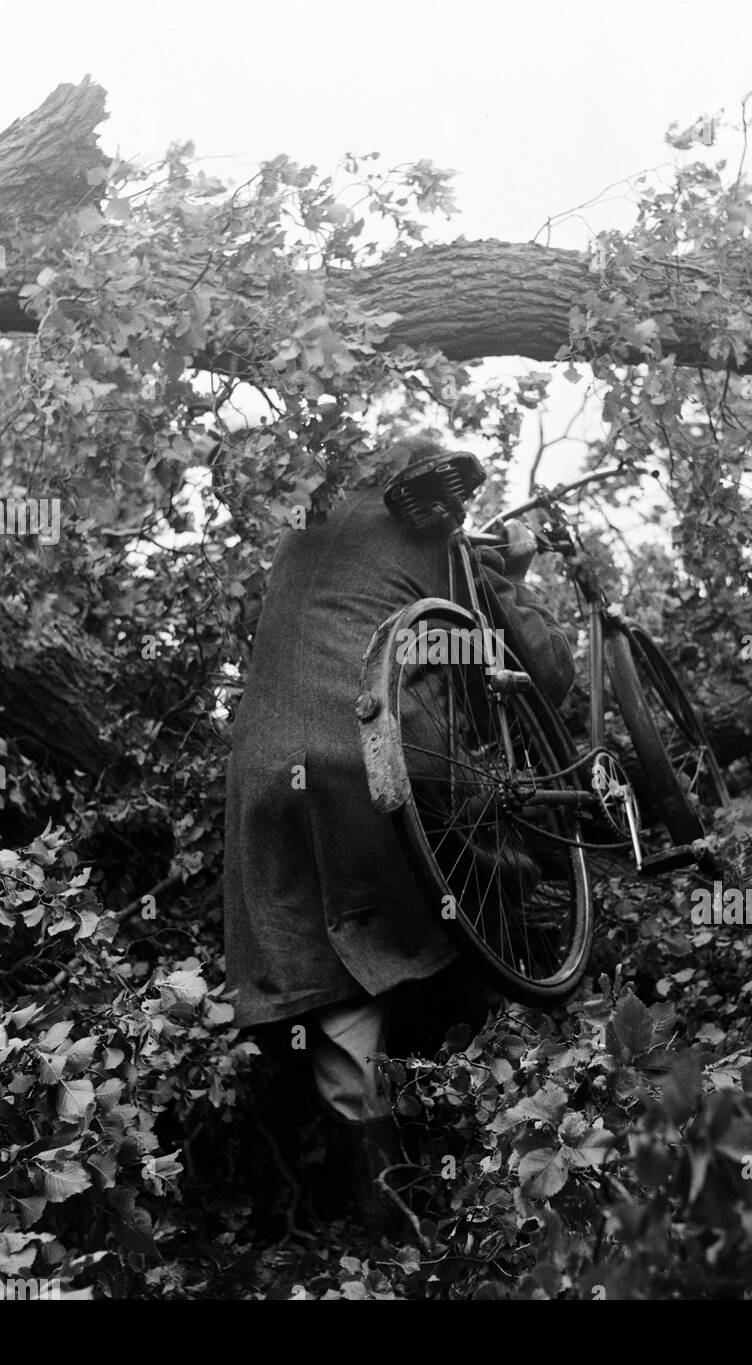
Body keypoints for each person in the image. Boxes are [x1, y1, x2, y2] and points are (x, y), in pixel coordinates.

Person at [222, 436, 574, 1230]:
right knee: (501, 875)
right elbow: (542, 673)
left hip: (262, 772)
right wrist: (513, 575)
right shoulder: (435, 537)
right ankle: (514, 1129)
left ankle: (384, 1229)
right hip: (371, 749)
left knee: (333, 975)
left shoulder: (300, 535)